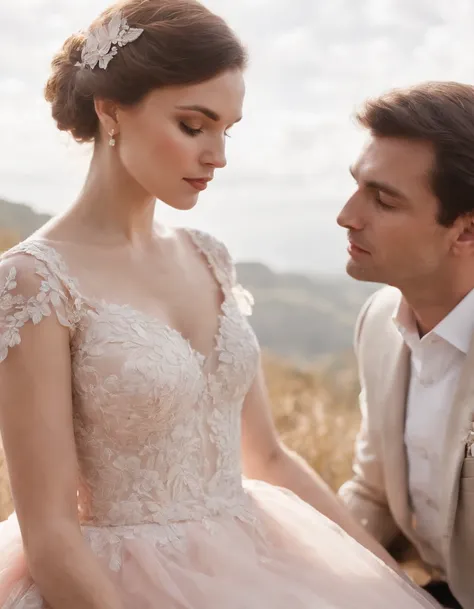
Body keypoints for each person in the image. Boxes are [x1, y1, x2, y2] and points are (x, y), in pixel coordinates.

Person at [0, 2, 439, 607]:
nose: (218, 156)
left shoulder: (210, 257)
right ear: (110, 110)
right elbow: (50, 534)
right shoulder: (32, 281)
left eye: (226, 129)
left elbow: (269, 456)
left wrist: (388, 577)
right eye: (193, 125)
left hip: (254, 559)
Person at [337, 81, 474, 609]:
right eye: (356, 185)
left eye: (383, 200)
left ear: (466, 232)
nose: (347, 215)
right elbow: (373, 492)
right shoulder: (377, 324)